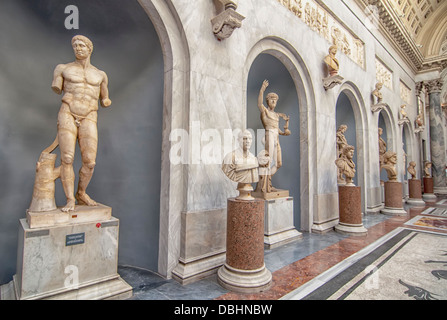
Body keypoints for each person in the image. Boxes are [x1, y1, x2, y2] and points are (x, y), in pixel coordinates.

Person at [52, 35, 111, 212]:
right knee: (67, 158)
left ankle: (81, 193)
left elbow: (105, 98)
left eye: (81, 45)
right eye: (75, 45)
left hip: (90, 115)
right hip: (68, 112)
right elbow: (56, 87)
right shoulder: (63, 69)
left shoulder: (100, 75)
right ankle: (70, 199)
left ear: (89, 49)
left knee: (90, 161)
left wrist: (106, 100)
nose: (78, 48)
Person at [255, 80, 290, 194]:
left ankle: (266, 181)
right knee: (268, 161)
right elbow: (259, 104)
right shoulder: (265, 112)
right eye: (271, 99)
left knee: (278, 163)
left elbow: (278, 130)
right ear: (267, 101)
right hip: (269, 136)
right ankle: (264, 185)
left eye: (275, 100)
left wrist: (285, 131)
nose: (274, 101)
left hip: (276, 138)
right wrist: (262, 89)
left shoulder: (276, 115)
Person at [222, 130, 259, 200]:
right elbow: (227, 169)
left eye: (250, 139)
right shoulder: (230, 157)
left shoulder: (253, 158)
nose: (247, 141)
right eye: (244, 138)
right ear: (238, 140)